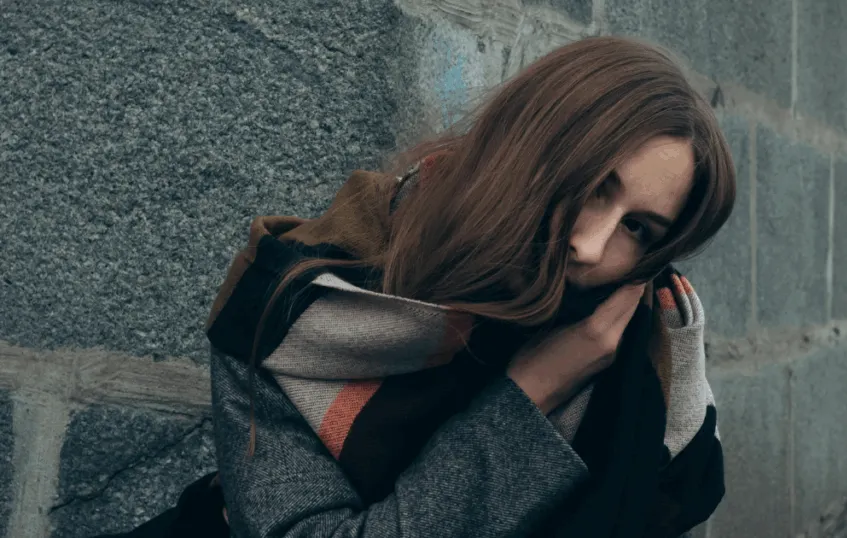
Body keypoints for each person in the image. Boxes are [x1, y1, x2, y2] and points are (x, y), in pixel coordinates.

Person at [99, 34, 734, 538]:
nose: (590, 246)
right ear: (530, 150)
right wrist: (532, 392)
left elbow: (679, 494)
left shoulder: (643, 348)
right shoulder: (301, 303)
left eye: (639, 229)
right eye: (595, 186)